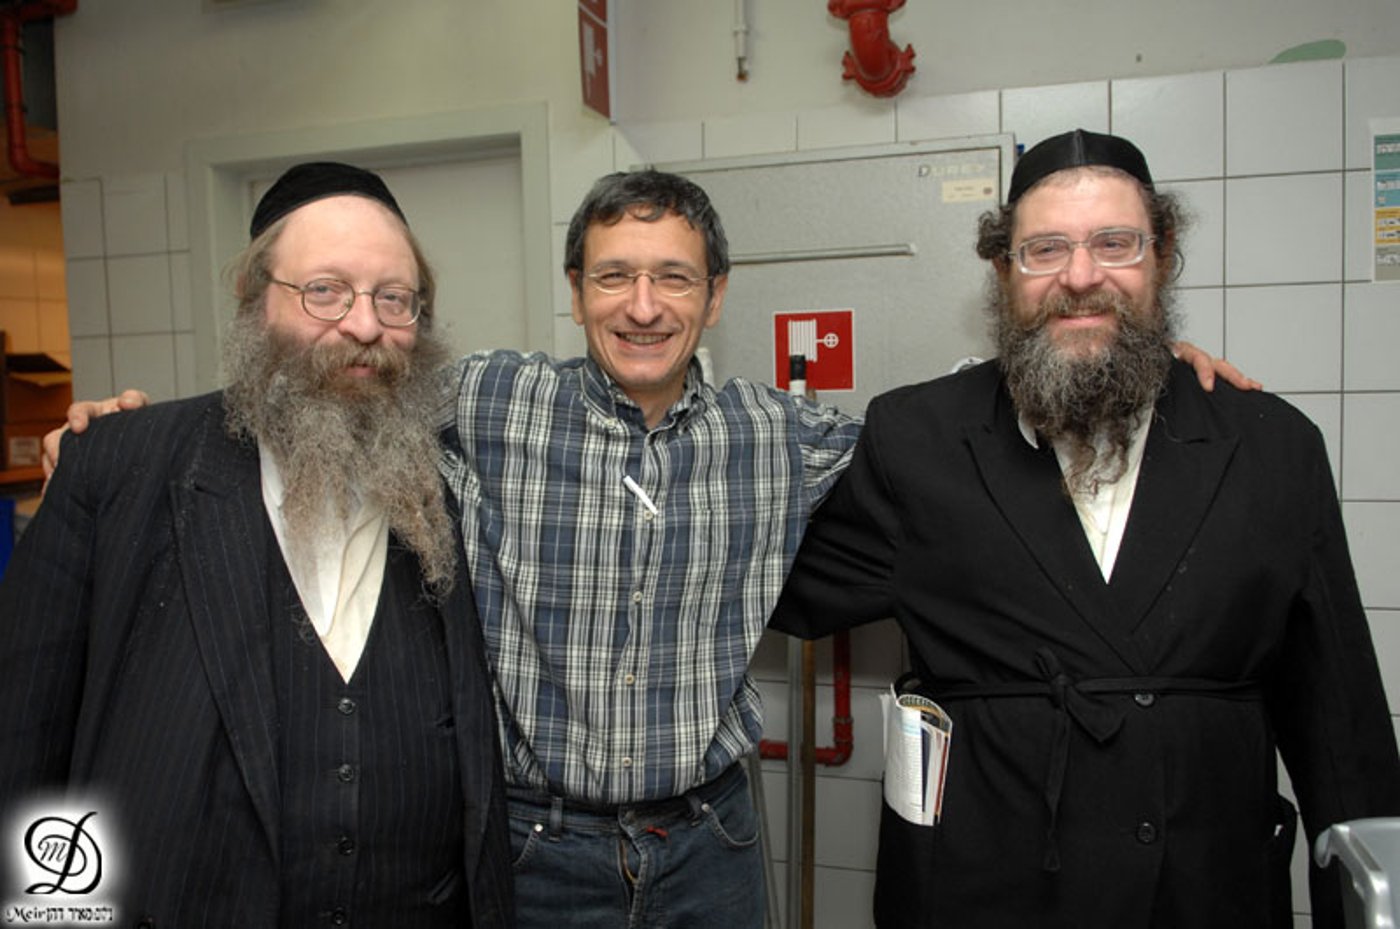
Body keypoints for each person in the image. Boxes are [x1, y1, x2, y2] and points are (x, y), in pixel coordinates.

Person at [46, 166, 1247, 929]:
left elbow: (966, 433)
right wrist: (125, 433)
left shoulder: (785, 434)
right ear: (574, 290)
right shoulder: (488, 401)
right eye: (613, 275)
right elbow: (332, 384)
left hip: (711, 847)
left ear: (715, 294)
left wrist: (1141, 368)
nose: (641, 304)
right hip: (532, 847)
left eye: (672, 276)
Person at [770, 129, 1400, 929]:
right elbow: (757, 573)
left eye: (1114, 243)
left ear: (1161, 257)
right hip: (983, 891)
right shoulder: (920, 440)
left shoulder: (1271, 447)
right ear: (1005, 272)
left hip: (1204, 889)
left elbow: (1339, 726)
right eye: (1045, 249)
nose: (1079, 275)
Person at [0, 163, 514, 928]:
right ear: (254, 299)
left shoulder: (448, 484)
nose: (364, 326)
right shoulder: (120, 466)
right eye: (325, 291)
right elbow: (23, 745)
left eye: (394, 298)